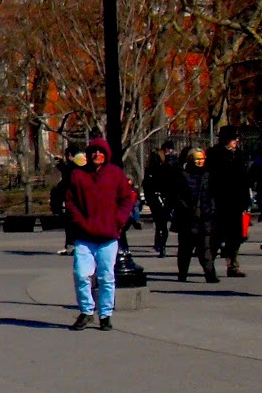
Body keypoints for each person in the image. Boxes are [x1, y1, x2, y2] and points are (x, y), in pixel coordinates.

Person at [63, 137, 137, 330]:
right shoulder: (78, 175)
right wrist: (80, 222)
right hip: (84, 237)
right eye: (94, 151)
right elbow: (70, 203)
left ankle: (105, 314)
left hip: (108, 236)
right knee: (81, 274)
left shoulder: (115, 174)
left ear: (106, 154)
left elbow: (126, 200)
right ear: (88, 154)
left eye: (101, 151)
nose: (97, 154)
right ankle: (87, 311)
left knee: (106, 277)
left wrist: (118, 221)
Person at [206, 126, 252, 278]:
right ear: (226, 139)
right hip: (219, 200)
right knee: (216, 236)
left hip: (236, 201)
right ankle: (209, 264)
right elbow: (210, 179)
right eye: (233, 138)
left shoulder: (239, 154)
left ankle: (232, 265)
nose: (236, 141)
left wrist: (246, 200)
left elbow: (245, 179)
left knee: (236, 236)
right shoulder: (214, 154)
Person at [172, 146, 219, 285]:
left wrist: (211, 209)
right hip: (186, 218)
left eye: (202, 159)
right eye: (197, 159)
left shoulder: (208, 175)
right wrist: (187, 209)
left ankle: (210, 275)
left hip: (204, 217)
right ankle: (182, 274)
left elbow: (213, 195)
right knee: (185, 249)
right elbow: (177, 196)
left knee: (205, 248)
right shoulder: (183, 175)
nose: (200, 161)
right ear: (191, 159)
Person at [143, 141, 181, 258]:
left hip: (165, 195)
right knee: (162, 223)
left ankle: (161, 245)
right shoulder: (160, 162)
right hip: (162, 195)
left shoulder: (169, 163)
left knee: (162, 223)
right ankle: (161, 245)